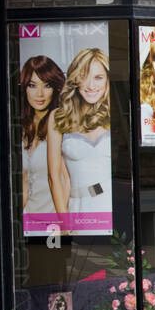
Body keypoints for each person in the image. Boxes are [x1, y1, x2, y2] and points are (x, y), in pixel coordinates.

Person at [48, 47, 112, 227]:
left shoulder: (114, 115)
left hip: (109, 203)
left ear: (107, 80)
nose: (91, 86)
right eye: (84, 77)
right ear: (75, 79)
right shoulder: (58, 116)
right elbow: (54, 177)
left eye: (98, 77)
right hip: (77, 207)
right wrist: (64, 222)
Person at [19, 55, 67, 226]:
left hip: (55, 221)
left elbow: (65, 180)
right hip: (29, 220)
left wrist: (65, 224)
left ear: (55, 88)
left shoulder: (59, 123)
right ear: (25, 88)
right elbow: (24, 183)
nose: (39, 94)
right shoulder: (22, 129)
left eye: (47, 85)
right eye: (32, 85)